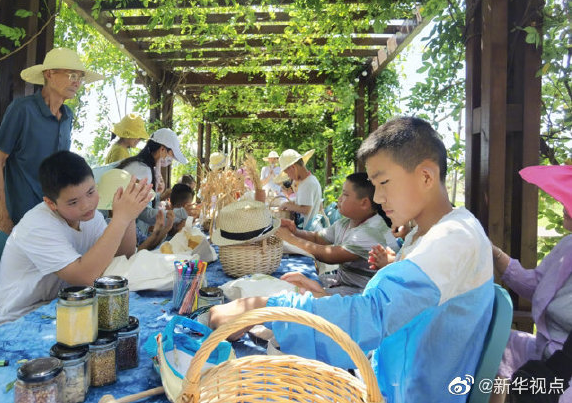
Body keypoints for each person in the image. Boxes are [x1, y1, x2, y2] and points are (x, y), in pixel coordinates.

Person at [210, 116, 494, 403]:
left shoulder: (452, 238)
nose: (378, 197)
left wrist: (263, 307)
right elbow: (396, 311)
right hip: (388, 376)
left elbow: (375, 315)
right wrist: (323, 299)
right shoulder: (424, 234)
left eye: (384, 183)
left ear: (426, 177)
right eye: (374, 185)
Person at [0, 151, 153, 329]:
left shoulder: (90, 217)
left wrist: (129, 217)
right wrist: (120, 219)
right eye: (73, 202)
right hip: (16, 316)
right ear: (51, 203)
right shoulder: (37, 226)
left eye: (91, 192)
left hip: (63, 306)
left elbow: (121, 256)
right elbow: (85, 278)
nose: (86, 205)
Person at [0, 47, 104, 234]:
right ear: (49, 74)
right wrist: (2, 217)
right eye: (72, 75)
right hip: (22, 219)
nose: (77, 82)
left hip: (56, 218)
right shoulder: (22, 109)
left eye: (80, 77)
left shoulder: (67, 116)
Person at [492, 165, 572, 393]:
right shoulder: (567, 246)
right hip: (544, 351)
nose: (563, 204)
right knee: (492, 342)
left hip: (565, 370)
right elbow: (536, 286)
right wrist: (494, 253)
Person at [277, 172, 398, 296]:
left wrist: (290, 238)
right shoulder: (345, 223)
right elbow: (317, 238)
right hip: (343, 282)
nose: (339, 199)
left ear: (364, 203)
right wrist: (295, 231)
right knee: (292, 285)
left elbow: (330, 255)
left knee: (301, 295)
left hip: (364, 292)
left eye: (345, 194)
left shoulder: (371, 231)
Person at [117, 128, 189, 233]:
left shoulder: (139, 164)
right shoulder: (142, 170)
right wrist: (181, 213)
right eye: (172, 155)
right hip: (125, 231)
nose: (171, 160)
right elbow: (143, 213)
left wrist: (159, 196)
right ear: (162, 150)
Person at [277, 149, 321, 230]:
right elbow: (303, 202)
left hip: (309, 229)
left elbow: (306, 209)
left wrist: (288, 205)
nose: (289, 177)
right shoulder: (307, 181)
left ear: (293, 167)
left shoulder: (308, 183)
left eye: (287, 173)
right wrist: (292, 203)